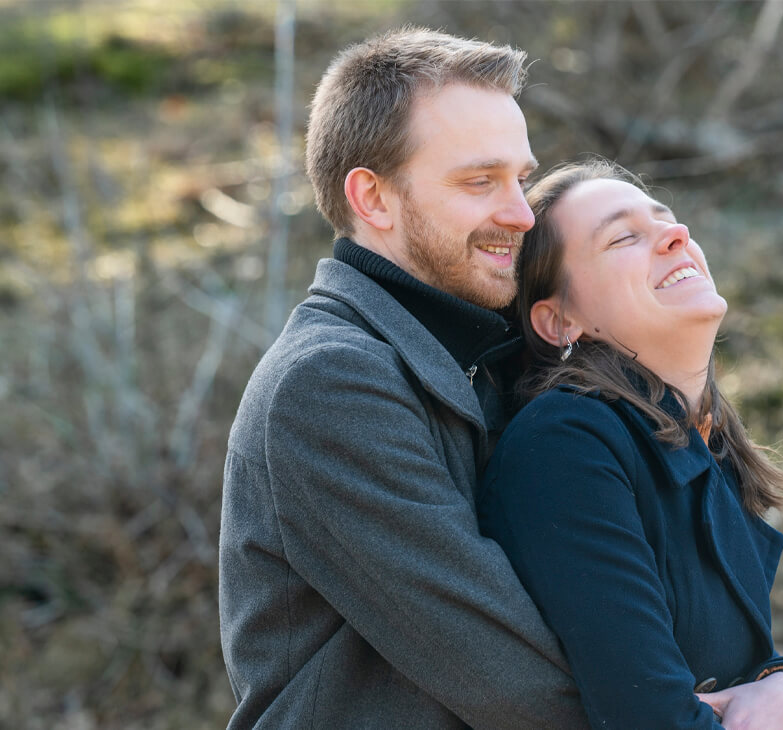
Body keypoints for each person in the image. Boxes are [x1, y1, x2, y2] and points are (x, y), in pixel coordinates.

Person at [218, 28, 589, 728]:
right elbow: (512, 680)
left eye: (522, 178)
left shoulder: (505, 353)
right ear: (375, 199)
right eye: (480, 181)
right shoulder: (328, 385)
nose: (520, 213)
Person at [478, 159, 783, 730]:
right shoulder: (566, 443)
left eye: (667, 221)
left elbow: (741, 684)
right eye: (625, 237)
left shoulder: (704, 448)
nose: (678, 236)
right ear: (560, 320)